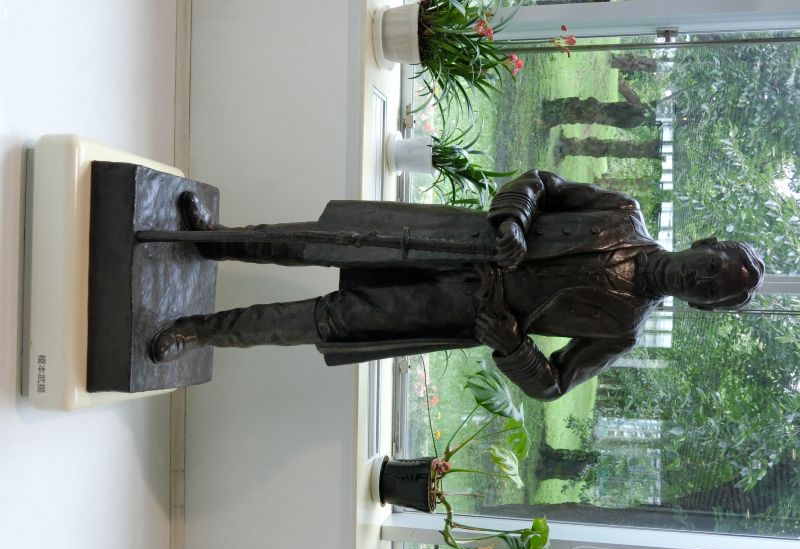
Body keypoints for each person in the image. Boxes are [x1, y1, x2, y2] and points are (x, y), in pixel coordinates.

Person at [151, 170, 764, 401]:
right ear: (705, 243)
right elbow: (541, 181)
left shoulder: (621, 329)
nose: (702, 277)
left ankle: (198, 331)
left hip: (457, 306)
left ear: (702, 307)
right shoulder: (621, 214)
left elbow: (553, 384)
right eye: (713, 265)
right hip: (456, 242)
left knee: (328, 318)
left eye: (712, 290)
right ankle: (215, 240)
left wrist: (511, 344)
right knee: (325, 241)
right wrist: (514, 219)